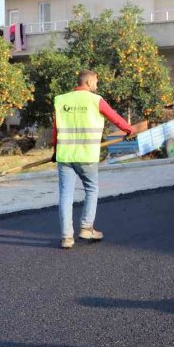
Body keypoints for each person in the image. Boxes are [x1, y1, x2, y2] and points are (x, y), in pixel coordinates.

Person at [52, 70, 134, 250]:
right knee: (91, 188)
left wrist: (54, 150)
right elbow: (115, 118)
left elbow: (55, 129)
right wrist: (129, 130)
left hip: (65, 155)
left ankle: (67, 238)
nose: (97, 85)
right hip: (86, 156)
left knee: (65, 195)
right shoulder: (96, 100)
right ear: (88, 82)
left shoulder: (61, 100)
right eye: (96, 82)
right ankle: (86, 228)